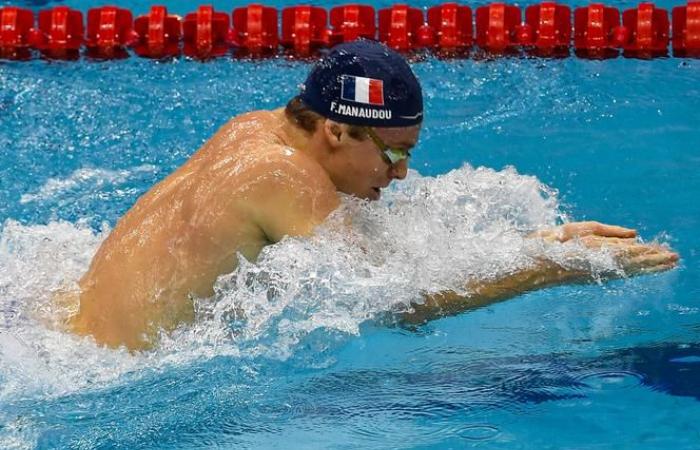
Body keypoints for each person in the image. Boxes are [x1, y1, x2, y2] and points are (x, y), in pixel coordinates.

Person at [66, 40, 678, 350]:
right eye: (395, 153)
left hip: (75, 333)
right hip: (120, 381)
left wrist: (549, 236)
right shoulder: (281, 177)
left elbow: (388, 263)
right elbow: (399, 305)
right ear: (336, 129)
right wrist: (554, 270)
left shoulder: (256, 128)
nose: (404, 172)